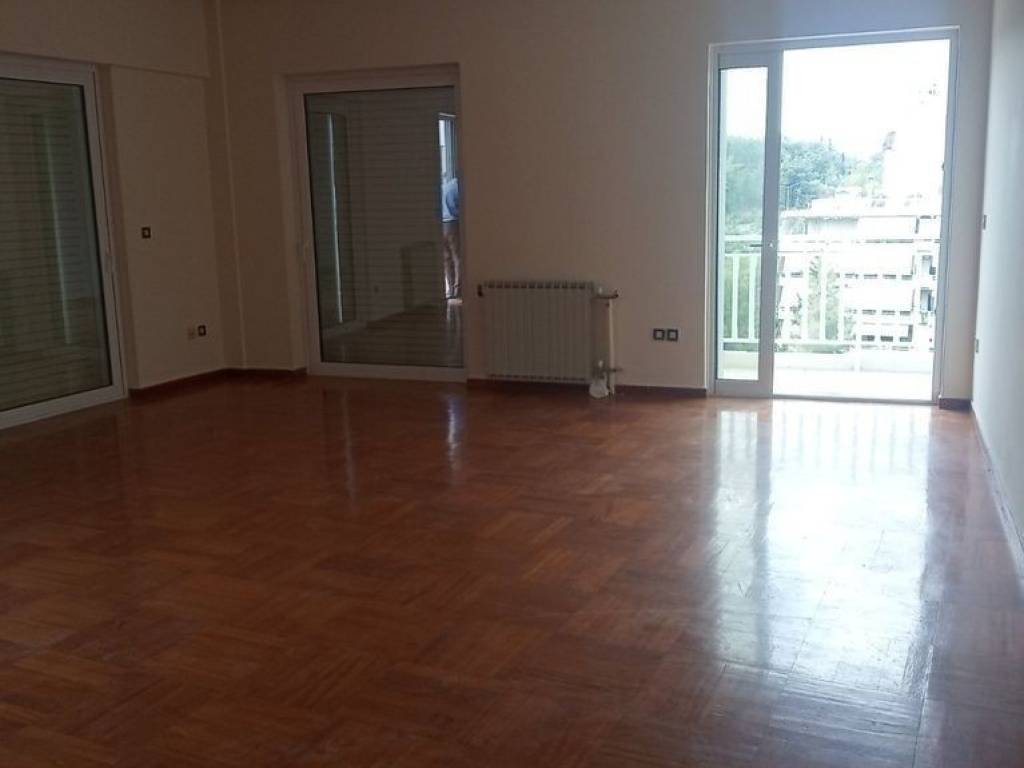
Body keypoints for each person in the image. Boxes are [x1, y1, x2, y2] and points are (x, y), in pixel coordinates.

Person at [441, 176, 461, 299]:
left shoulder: (445, 187)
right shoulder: (459, 187)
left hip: (442, 224)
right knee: (457, 257)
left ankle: (451, 289)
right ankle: (458, 289)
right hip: (453, 224)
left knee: (446, 259)